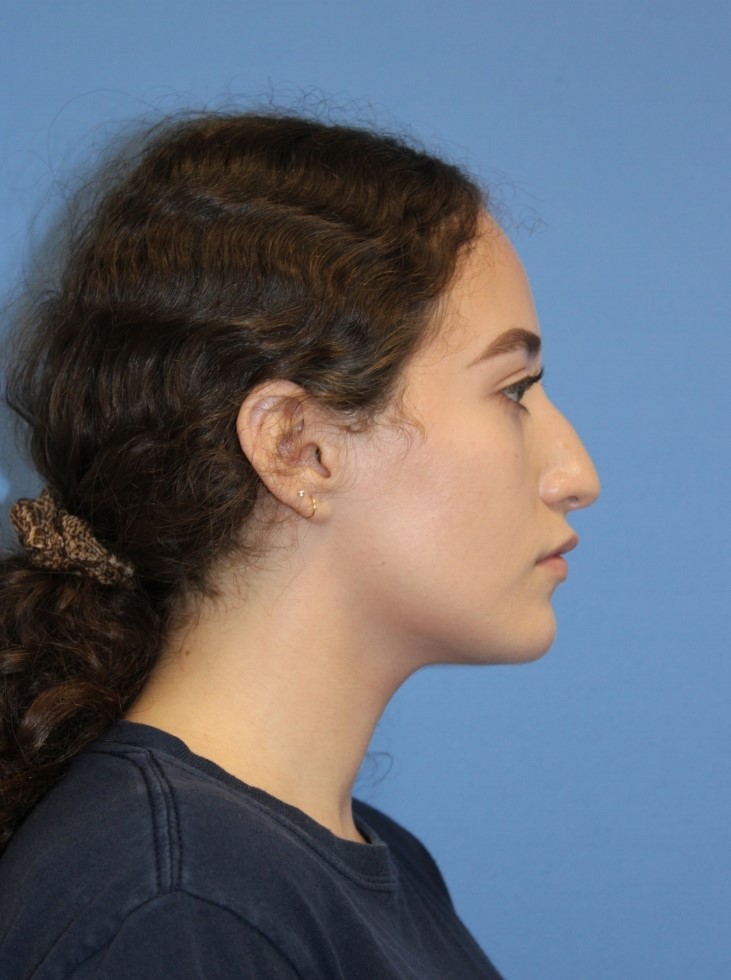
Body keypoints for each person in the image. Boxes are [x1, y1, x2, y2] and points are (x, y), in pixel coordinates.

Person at [0, 111, 599, 978]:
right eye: (512, 390)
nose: (576, 474)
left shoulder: (350, 867)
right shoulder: (176, 907)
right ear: (298, 449)